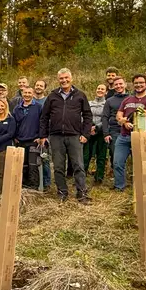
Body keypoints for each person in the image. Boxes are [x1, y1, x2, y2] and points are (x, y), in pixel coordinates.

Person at [38, 68, 93, 204]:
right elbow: (44, 117)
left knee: (78, 166)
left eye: (66, 78)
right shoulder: (52, 96)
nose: (64, 80)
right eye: (61, 78)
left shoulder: (80, 95)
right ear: (58, 80)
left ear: (71, 78)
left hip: (75, 136)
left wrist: (85, 134)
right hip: (56, 137)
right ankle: (62, 192)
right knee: (58, 167)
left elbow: (87, 115)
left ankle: (82, 193)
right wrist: (43, 135)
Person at [113, 74, 146, 192]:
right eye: (136, 83)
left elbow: (145, 116)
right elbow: (119, 114)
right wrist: (122, 121)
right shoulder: (127, 100)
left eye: (141, 83)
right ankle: (119, 187)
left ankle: (140, 188)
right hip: (123, 137)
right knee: (117, 163)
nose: (138, 85)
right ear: (133, 85)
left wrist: (126, 120)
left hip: (140, 137)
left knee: (140, 165)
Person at [12, 87, 43, 189]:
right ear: (22, 94)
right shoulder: (17, 109)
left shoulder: (38, 107)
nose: (27, 95)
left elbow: (43, 122)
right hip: (20, 141)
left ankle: (34, 189)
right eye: (25, 93)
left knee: (33, 165)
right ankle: (24, 188)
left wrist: (40, 136)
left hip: (33, 141)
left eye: (29, 93)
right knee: (22, 165)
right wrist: (15, 136)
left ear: (33, 94)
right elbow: (14, 123)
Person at [102, 76, 129, 169]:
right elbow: (105, 117)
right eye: (116, 84)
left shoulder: (132, 98)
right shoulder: (109, 100)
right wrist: (106, 133)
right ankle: (117, 178)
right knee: (115, 155)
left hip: (130, 130)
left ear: (125, 84)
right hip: (114, 131)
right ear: (113, 86)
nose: (118, 86)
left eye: (120, 84)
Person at [84, 85, 108, 185]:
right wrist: (89, 127)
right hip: (88, 131)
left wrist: (97, 127)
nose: (100, 90)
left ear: (106, 92)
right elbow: (84, 116)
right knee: (85, 155)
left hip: (101, 132)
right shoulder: (89, 103)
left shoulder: (107, 103)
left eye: (102, 89)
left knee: (101, 155)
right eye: (98, 88)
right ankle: (82, 176)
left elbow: (107, 118)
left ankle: (99, 177)